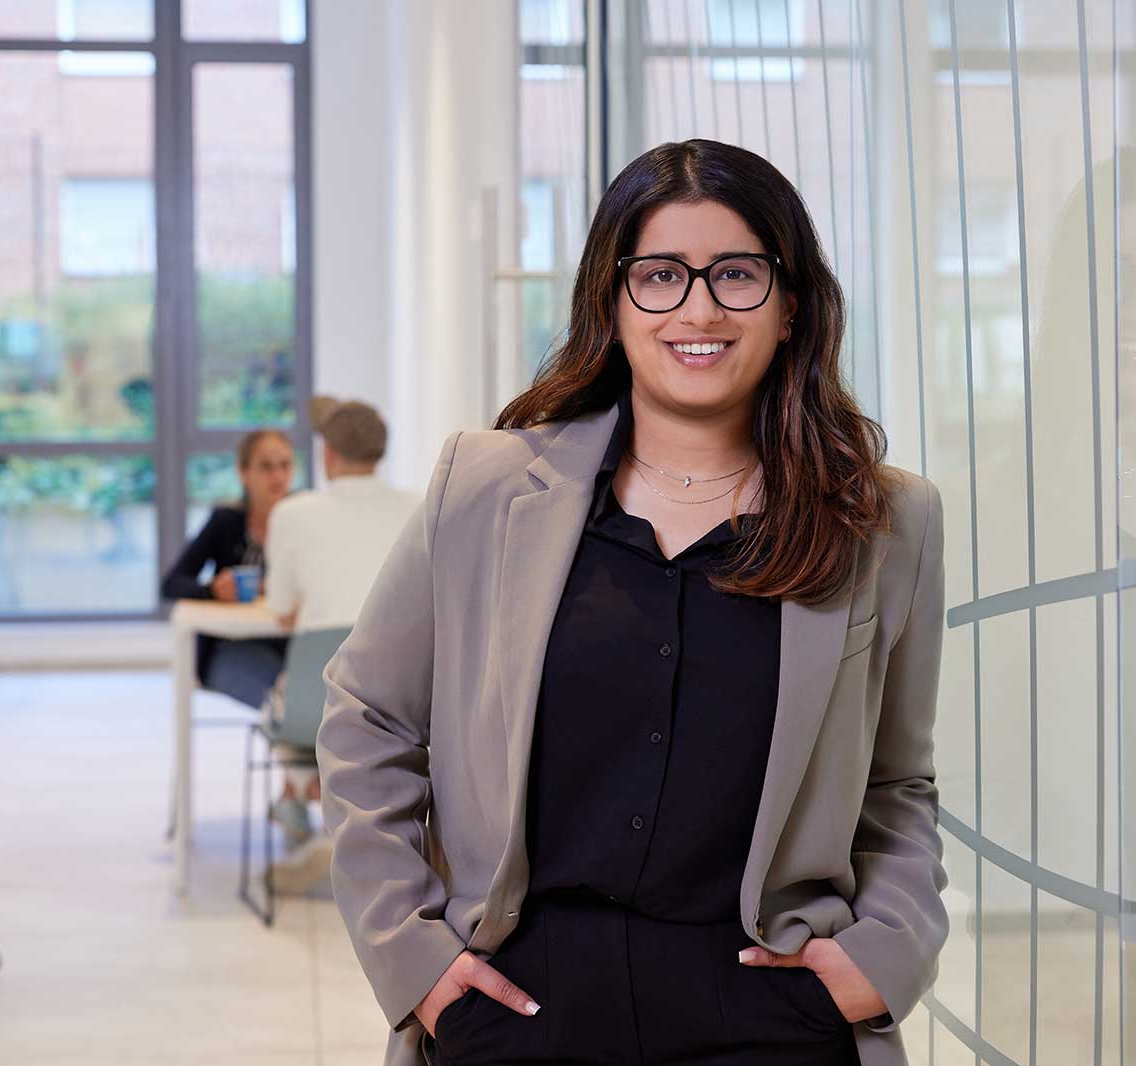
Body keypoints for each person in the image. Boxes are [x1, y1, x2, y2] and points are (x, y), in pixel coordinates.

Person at [316, 139, 947, 1066]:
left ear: (790, 305)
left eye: (736, 274)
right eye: (660, 276)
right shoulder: (484, 487)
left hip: (772, 1013)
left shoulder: (884, 523)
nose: (699, 309)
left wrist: (884, 955)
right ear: (611, 305)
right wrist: (414, 960)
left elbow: (897, 784)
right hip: (518, 1009)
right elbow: (369, 720)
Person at [257, 398, 418, 863]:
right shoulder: (419, 507)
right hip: (405, 705)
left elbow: (281, 613)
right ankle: (324, 798)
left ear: (327, 453)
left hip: (317, 703)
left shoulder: (293, 513)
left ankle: (303, 790)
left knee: (283, 700)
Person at [160, 429, 294, 709]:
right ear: (244, 473)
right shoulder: (225, 521)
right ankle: (287, 724)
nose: (278, 477)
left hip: (287, 642)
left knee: (310, 690)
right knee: (286, 702)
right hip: (229, 644)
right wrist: (212, 590)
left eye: (285, 465)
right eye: (266, 467)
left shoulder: (303, 521)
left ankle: (290, 724)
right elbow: (172, 583)